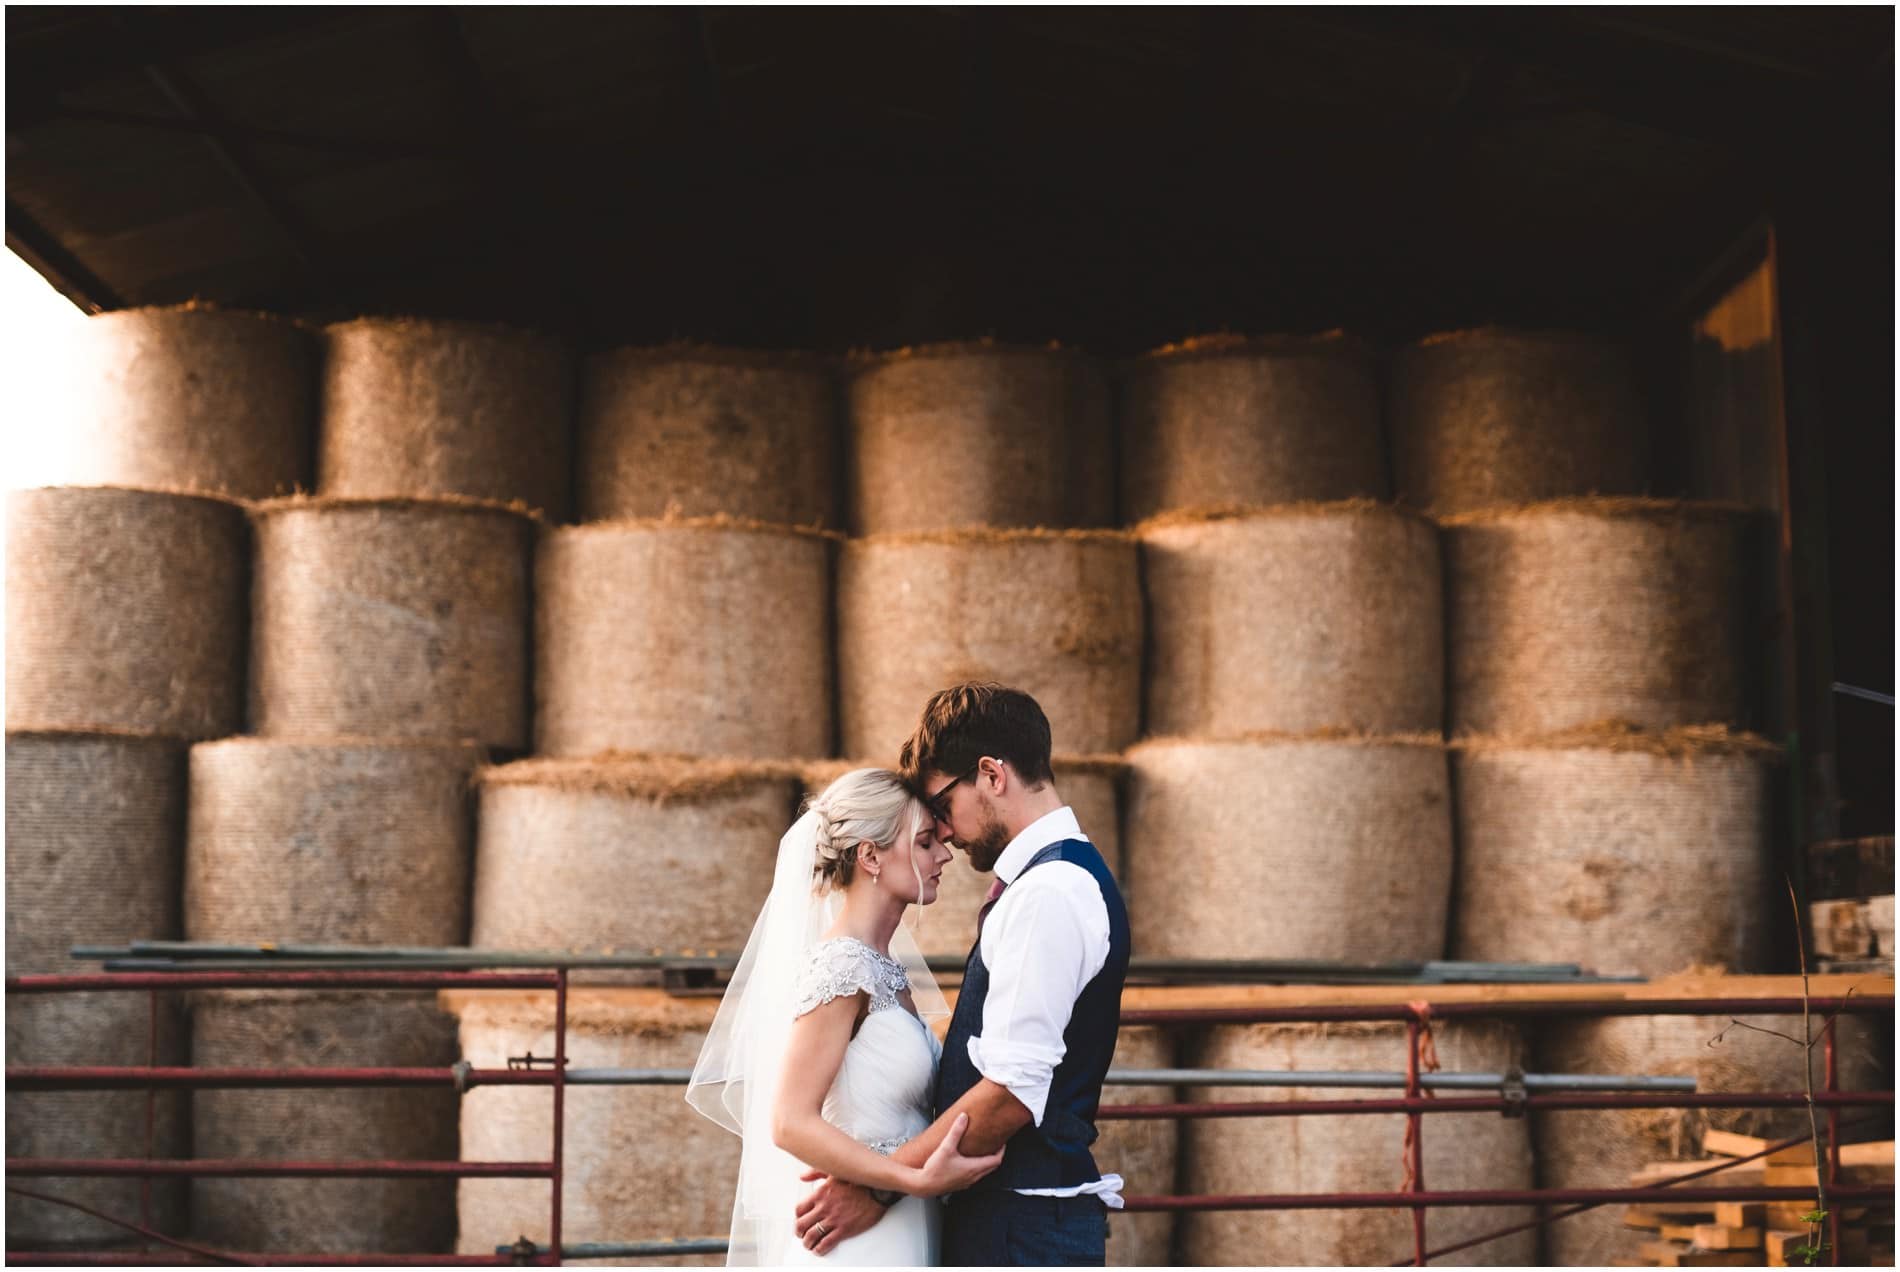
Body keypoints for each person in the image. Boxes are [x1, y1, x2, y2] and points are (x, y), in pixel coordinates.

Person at [792, 684, 1132, 1266]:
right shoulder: (1048, 883)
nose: (944, 832)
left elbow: (1011, 1093)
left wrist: (881, 1187)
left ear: (992, 776)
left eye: (943, 804)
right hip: (1010, 1219)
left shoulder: (1047, 894)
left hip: (1021, 1227)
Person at [686, 767, 1004, 1266]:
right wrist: (910, 1180)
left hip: (904, 1221)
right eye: (924, 843)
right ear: (870, 855)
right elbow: (790, 1123)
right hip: (860, 1239)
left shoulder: (886, 970)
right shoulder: (843, 966)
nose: (944, 855)